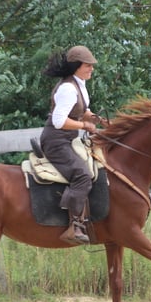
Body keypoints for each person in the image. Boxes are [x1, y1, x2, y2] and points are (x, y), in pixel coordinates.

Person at [40, 45, 107, 245]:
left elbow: (81, 110)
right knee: (82, 175)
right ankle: (74, 225)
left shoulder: (79, 85)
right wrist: (84, 125)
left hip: (67, 139)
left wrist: (97, 119)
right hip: (56, 141)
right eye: (88, 65)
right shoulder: (68, 88)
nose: (91, 68)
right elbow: (59, 121)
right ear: (77, 66)